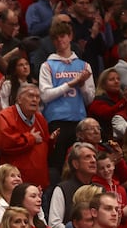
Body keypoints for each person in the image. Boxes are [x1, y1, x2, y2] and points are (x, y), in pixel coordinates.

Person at [39, 20, 96, 176]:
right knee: (57, 164)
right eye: (56, 38)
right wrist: (71, 83)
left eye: (63, 36)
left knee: (80, 163)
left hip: (79, 120)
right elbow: (45, 95)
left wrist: (82, 84)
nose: (60, 41)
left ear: (70, 36)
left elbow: (90, 98)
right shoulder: (47, 65)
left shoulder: (84, 66)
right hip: (56, 120)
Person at [0, 83, 57, 190]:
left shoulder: (40, 120)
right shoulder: (5, 116)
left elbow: (44, 150)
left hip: (37, 185)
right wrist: (31, 138)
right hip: (10, 186)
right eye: (30, 96)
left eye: (37, 97)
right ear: (19, 99)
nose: (35, 99)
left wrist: (50, 141)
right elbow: (4, 143)